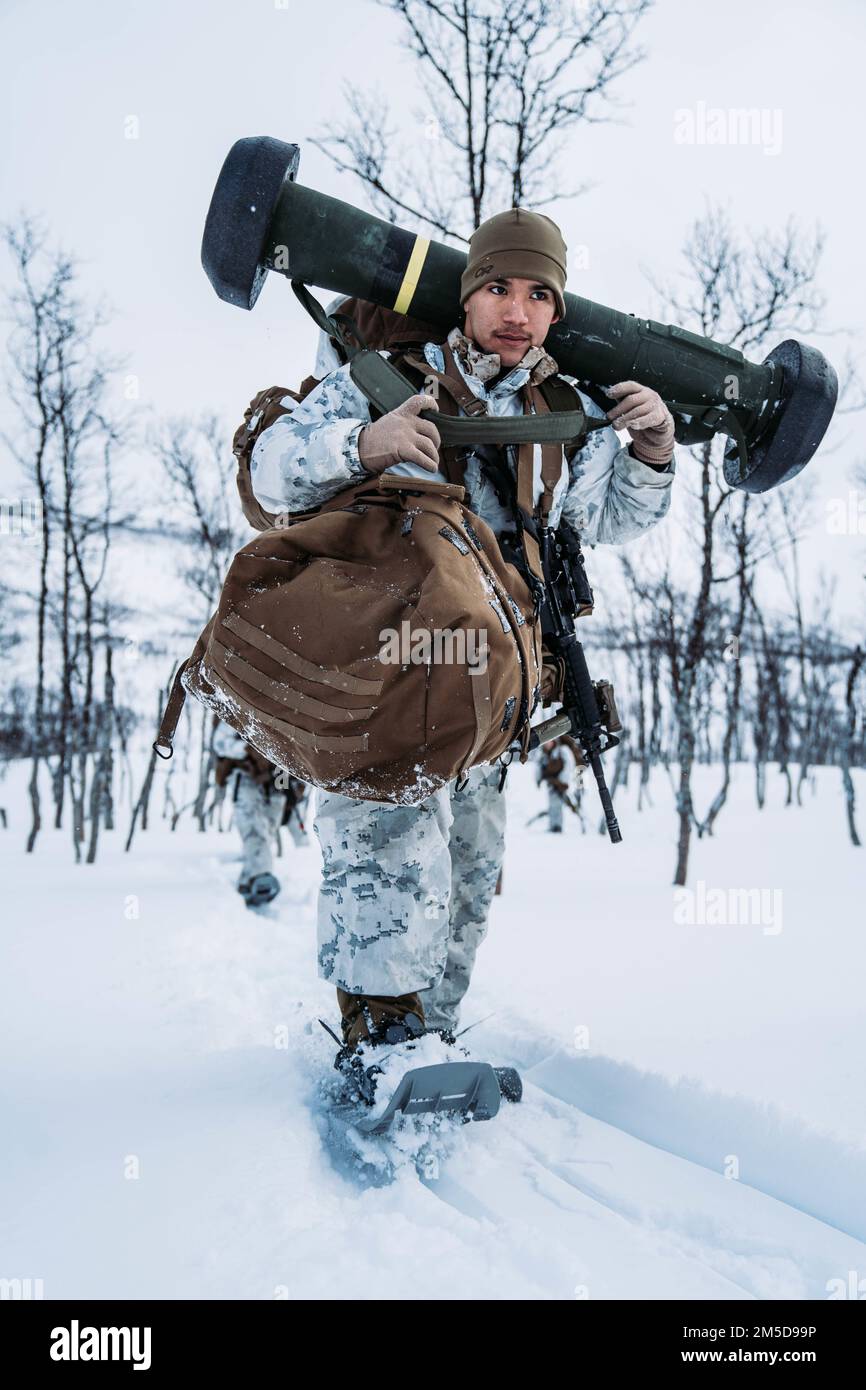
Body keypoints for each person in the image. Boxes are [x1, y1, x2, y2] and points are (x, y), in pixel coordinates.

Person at [247, 207, 676, 1050]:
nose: (517, 312)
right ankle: (379, 1049)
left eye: (538, 294)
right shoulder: (390, 375)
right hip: (387, 678)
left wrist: (653, 456)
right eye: (499, 288)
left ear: (557, 311)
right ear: (468, 295)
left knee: (469, 880)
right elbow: (272, 471)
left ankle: (429, 1045)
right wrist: (362, 443)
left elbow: (609, 519)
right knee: (386, 851)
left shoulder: (563, 414)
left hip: (491, 700)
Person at [212, 717, 309, 907]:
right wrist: (250, 750)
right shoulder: (239, 707)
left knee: (268, 834)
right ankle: (260, 878)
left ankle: (249, 882)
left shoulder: (287, 713)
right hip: (246, 776)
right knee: (254, 831)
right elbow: (220, 744)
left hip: (278, 780)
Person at [536, 737, 585, 832]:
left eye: (549, 741)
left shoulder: (562, 750)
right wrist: (539, 779)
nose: (547, 744)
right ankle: (554, 825)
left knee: (565, 804)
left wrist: (563, 782)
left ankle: (559, 826)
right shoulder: (544, 754)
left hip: (563, 783)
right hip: (552, 783)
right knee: (553, 803)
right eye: (546, 742)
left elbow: (569, 765)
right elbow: (539, 767)